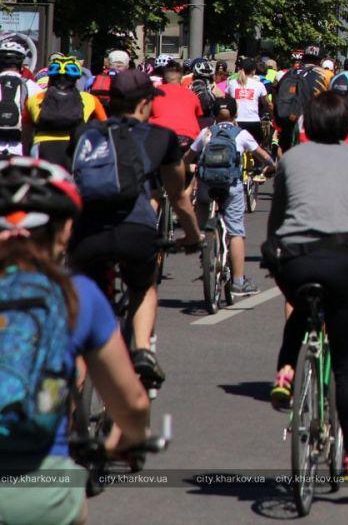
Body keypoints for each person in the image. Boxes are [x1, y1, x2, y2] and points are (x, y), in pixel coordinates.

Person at [0, 157, 153, 525]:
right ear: (66, 230)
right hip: (38, 493)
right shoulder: (76, 295)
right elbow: (130, 401)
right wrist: (127, 439)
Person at [265, 91, 348, 481]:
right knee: (346, 364)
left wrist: (274, 248)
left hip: (295, 258)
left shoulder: (290, 159)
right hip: (341, 259)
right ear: (347, 127)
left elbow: (277, 214)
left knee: (300, 306)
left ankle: (286, 373)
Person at [65, 70, 202, 391]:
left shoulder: (85, 133)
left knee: (86, 306)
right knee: (144, 285)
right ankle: (141, 350)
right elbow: (178, 197)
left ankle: (75, 396)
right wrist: (193, 235)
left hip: (87, 233)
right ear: (144, 103)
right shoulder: (160, 137)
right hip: (135, 229)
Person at [184, 98, 276, 297]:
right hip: (231, 186)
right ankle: (238, 281)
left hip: (207, 185)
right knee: (236, 231)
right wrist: (271, 166)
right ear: (235, 114)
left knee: (201, 203)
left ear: (214, 114)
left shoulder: (206, 133)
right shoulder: (241, 134)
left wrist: (187, 168)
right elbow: (262, 155)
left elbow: (188, 157)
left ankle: (204, 242)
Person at [28, 57, 104, 166]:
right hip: (76, 147)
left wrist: (26, 153)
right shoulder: (90, 99)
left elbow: (26, 134)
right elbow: (104, 127)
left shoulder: (35, 99)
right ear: (77, 78)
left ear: (50, 77)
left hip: (42, 147)